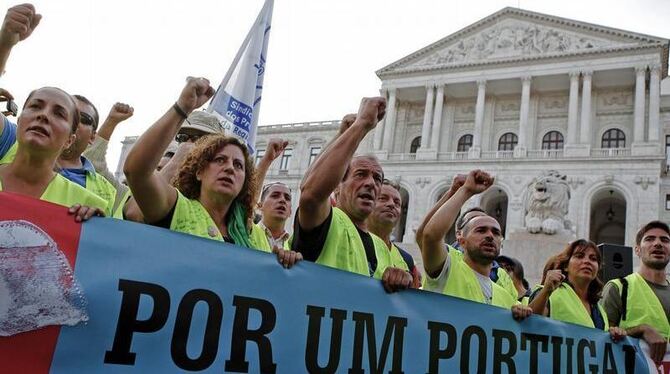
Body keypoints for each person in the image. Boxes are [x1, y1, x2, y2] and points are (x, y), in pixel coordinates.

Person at [291, 99, 412, 293]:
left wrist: (400, 280)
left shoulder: (381, 248)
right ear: (337, 187)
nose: (370, 183)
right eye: (360, 174)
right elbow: (310, 194)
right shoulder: (328, 222)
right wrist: (361, 125)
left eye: (377, 179)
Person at [0, 4, 104, 222]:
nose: (43, 115)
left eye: (59, 114)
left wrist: (95, 231)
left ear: (70, 140)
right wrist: (6, 42)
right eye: (36, 106)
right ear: (19, 121)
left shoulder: (88, 205)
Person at [419, 169, 531, 318]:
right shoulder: (448, 269)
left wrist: (522, 313)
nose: (490, 236)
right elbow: (430, 236)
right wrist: (465, 191)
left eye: (496, 232)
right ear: (461, 240)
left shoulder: (505, 297)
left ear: (501, 243)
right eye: (481, 230)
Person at [601, 221, 670, 366]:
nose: (658, 244)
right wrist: (641, 329)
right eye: (650, 239)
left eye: (665, 240)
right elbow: (600, 338)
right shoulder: (618, 288)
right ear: (637, 250)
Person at [528, 240, 625, 340]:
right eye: (579, 256)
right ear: (566, 266)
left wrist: (612, 335)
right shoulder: (549, 293)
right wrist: (546, 291)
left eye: (593, 259)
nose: (587, 261)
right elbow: (529, 324)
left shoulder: (600, 310)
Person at [56, 95, 118, 216]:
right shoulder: (15, 149)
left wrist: (98, 223)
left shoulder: (108, 190)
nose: (73, 122)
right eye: (64, 114)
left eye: (84, 119)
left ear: (92, 137)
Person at [366, 179, 421, 288]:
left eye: (397, 203)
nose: (391, 204)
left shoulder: (407, 259)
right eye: (382, 198)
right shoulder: (351, 240)